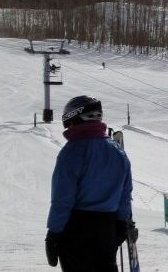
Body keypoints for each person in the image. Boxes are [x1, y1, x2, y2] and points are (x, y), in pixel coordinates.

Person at [45, 95, 133, 272]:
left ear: (74, 118)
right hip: (107, 227)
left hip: (77, 229)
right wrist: (122, 222)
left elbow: (63, 199)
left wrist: (53, 233)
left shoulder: (72, 152)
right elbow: (125, 194)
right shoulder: (118, 152)